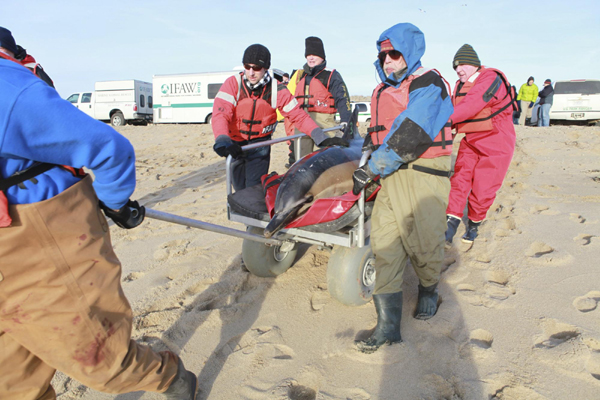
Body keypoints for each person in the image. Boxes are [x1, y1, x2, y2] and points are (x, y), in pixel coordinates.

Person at [0, 34, 196, 399]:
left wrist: (116, 202)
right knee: (12, 385)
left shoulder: (9, 89)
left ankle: (170, 378)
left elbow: (108, 148)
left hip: (41, 237)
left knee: (102, 361)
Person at [351, 23, 454, 353]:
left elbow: (411, 134)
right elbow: (378, 132)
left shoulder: (429, 84)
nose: (387, 60)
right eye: (382, 55)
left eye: (394, 54)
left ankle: (428, 289)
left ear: (409, 53)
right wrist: (367, 151)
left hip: (423, 173)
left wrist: (371, 169)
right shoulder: (382, 90)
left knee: (425, 245)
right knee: (384, 244)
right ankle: (388, 328)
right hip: (390, 176)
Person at [212, 44, 347, 191]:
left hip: (259, 146)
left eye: (256, 68)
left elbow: (298, 116)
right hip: (235, 145)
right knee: (238, 189)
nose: (251, 72)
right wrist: (222, 138)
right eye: (247, 66)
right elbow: (221, 113)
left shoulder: (277, 90)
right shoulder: (233, 84)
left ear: (265, 68)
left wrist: (320, 136)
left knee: (254, 189)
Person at [444, 44, 516, 245]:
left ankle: (474, 223)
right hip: (471, 139)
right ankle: (450, 222)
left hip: (496, 140)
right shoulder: (460, 85)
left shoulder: (490, 78)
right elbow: (452, 107)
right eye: (455, 67)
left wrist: (444, 120)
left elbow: (473, 104)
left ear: (475, 65)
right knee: (459, 178)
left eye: (463, 65)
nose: (458, 70)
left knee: (484, 185)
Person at [287, 36, 352, 166]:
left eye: (314, 55)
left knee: (327, 163)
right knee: (301, 163)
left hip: (325, 125)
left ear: (322, 57)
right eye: (308, 55)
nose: (311, 58)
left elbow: (342, 99)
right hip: (302, 125)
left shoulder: (331, 75)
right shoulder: (300, 76)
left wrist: (346, 121)